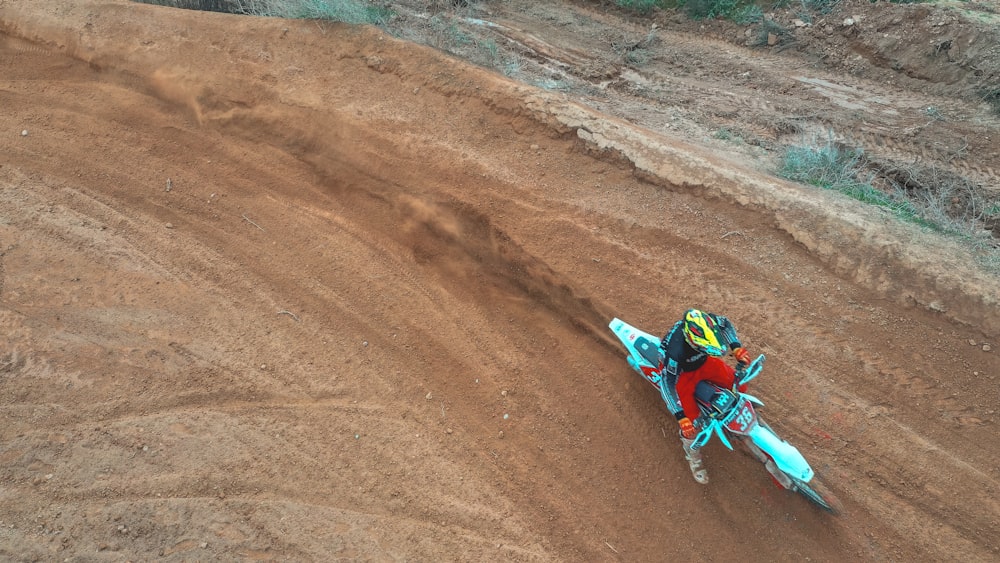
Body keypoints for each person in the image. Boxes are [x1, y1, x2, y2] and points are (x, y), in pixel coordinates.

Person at [657, 309, 751, 484]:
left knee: (739, 384)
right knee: (691, 425)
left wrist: (736, 347)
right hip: (682, 376)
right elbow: (666, 384)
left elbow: (725, 323)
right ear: (694, 341)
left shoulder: (706, 321)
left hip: (704, 363)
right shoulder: (674, 352)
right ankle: (693, 456)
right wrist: (681, 417)